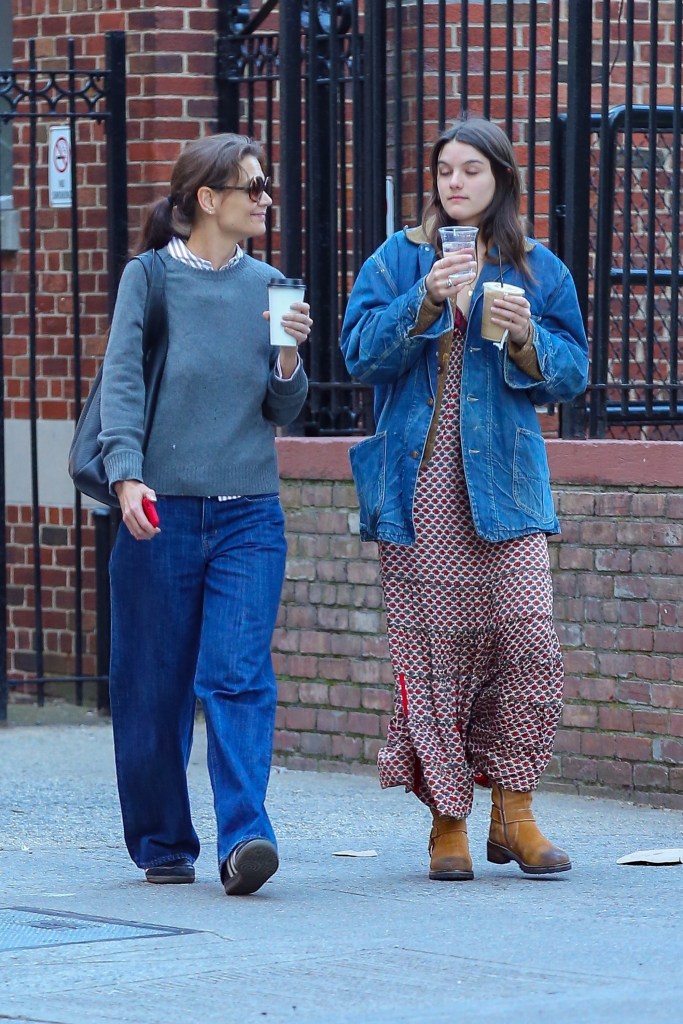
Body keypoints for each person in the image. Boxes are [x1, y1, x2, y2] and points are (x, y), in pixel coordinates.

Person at [340, 116, 588, 881]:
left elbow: (571, 374)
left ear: (500, 180)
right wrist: (421, 302)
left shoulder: (535, 266)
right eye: (445, 170)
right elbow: (356, 354)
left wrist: (524, 340)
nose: (455, 183)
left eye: (471, 170)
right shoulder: (398, 257)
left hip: (504, 486)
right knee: (437, 652)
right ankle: (448, 820)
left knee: (529, 641)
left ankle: (515, 811)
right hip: (419, 488)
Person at [99, 133, 311, 896]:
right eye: (251, 188)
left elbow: (283, 406)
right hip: (161, 508)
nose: (264, 199)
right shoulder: (150, 279)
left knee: (237, 677)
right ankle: (162, 841)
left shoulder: (273, 284)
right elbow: (123, 382)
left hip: (249, 512)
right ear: (207, 201)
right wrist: (126, 479)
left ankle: (246, 837)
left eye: (266, 186)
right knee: (152, 686)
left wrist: (287, 357)